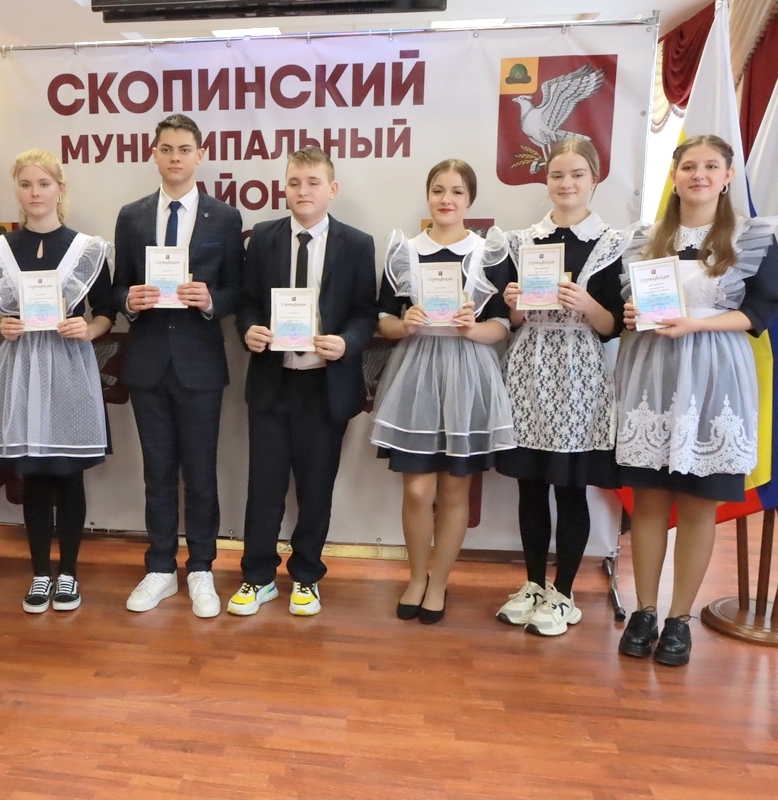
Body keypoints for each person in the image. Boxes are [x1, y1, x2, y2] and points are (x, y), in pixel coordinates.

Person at [615, 135, 778, 666]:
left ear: (728, 176)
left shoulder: (750, 236)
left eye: (711, 166)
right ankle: (644, 611)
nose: (699, 175)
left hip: (715, 376)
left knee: (698, 503)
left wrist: (696, 324)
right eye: (689, 166)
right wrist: (631, 314)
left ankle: (678, 619)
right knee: (648, 500)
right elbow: (631, 304)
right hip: (653, 374)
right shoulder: (645, 238)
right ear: (675, 174)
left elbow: (761, 311)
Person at [227, 146, 377, 617]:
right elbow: (248, 302)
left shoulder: (357, 244)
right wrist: (249, 329)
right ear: (284, 188)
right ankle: (257, 577)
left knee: (316, 489)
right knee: (264, 486)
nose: (303, 191)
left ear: (332, 189)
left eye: (313, 182)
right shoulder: (264, 238)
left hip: (324, 386)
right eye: (294, 182)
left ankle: (307, 576)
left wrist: (347, 343)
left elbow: (365, 313)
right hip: (272, 382)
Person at [370, 159, 514, 625]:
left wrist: (474, 329)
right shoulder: (406, 250)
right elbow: (384, 320)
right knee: (417, 490)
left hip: (468, 370)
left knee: (454, 490)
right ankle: (416, 576)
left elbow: (503, 324)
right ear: (428, 195)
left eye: (456, 191)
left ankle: (439, 582)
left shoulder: (488, 251)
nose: (446, 199)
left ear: (470, 199)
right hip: (416, 371)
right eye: (438, 190)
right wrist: (404, 324)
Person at [496, 139, 629, 637]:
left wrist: (587, 304)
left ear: (594, 179)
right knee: (530, 486)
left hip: (579, 373)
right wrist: (515, 304)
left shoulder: (612, 243)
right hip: (529, 369)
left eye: (576, 174)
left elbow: (612, 326)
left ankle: (564, 593)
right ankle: (533, 584)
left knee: (571, 488)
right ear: (546, 180)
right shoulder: (523, 241)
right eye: (557, 175)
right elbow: (513, 321)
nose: (566, 183)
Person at [111, 114, 243, 618]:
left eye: (184, 149)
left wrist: (211, 300)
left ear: (200, 155)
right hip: (148, 363)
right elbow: (117, 286)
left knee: (202, 473)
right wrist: (129, 300)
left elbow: (237, 290)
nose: (175, 157)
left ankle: (202, 568)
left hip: (200, 365)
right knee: (157, 472)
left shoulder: (224, 217)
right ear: (154, 153)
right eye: (166, 148)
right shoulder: (132, 215)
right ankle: (161, 567)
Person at [0, 149, 115, 613]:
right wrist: (0, 323)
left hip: (69, 366)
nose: (35, 193)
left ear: (60, 188)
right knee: (33, 475)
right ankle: (40, 573)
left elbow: (107, 312)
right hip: (20, 367)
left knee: (67, 474)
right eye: (26, 184)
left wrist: (88, 329)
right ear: (17, 191)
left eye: (43, 183)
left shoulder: (87, 249)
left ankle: (69, 573)